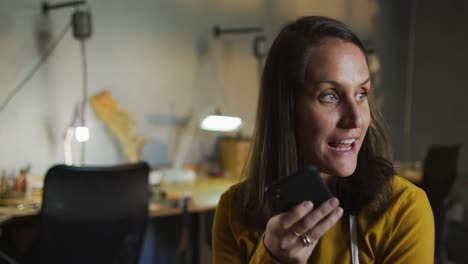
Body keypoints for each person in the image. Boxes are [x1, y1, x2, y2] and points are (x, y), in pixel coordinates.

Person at [212, 16, 434, 263]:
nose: (357, 119)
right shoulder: (233, 210)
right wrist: (273, 258)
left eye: (362, 93)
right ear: (286, 109)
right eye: (330, 96)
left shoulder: (404, 209)